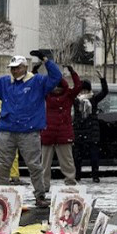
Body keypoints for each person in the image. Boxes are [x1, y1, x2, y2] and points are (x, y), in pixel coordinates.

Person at [0, 51, 63, 207]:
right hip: (7, 130)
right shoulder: (5, 82)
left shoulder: (37, 81)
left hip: (29, 132)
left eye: (17, 67)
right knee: (3, 164)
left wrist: (47, 60)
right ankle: (1, 195)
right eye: (12, 68)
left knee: (34, 166)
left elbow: (56, 77)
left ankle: (40, 195)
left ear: (25, 67)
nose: (14, 70)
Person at [38, 64, 84, 198]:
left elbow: (78, 86)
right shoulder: (46, 95)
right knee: (45, 164)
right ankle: (44, 186)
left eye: (59, 87)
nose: (57, 89)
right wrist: (36, 72)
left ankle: (70, 184)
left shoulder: (69, 95)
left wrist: (73, 72)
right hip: (49, 133)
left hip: (63, 134)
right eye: (55, 87)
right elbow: (38, 85)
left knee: (67, 162)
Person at [73, 72, 109, 182]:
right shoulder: (76, 100)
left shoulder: (93, 99)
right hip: (79, 131)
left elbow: (104, 92)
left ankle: (95, 175)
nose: (84, 93)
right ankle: (77, 175)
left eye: (86, 90)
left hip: (92, 132)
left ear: (89, 90)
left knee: (94, 157)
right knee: (77, 157)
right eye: (82, 90)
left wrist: (102, 80)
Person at [0, 98, 21, 185]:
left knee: (9, 150)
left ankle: (12, 174)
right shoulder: (4, 93)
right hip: (1, 124)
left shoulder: (12, 93)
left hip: (4, 123)